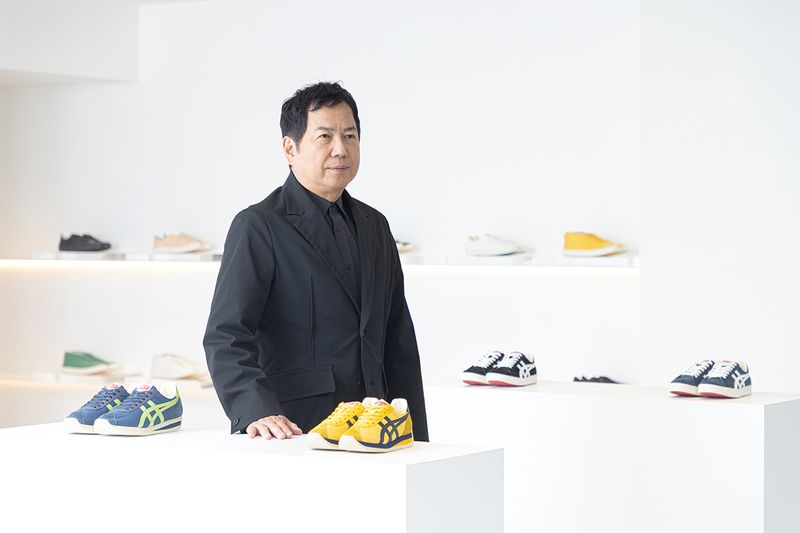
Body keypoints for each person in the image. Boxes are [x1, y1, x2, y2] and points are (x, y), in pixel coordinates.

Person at [203, 81, 428, 441]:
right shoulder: (259, 225)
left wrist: (414, 433)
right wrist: (256, 409)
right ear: (290, 149)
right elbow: (226, 335)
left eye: (350, 136)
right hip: (294, 428)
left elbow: (398, 339)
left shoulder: (375, 225)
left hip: (375, 427)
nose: (341, 149)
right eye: (325, 137)